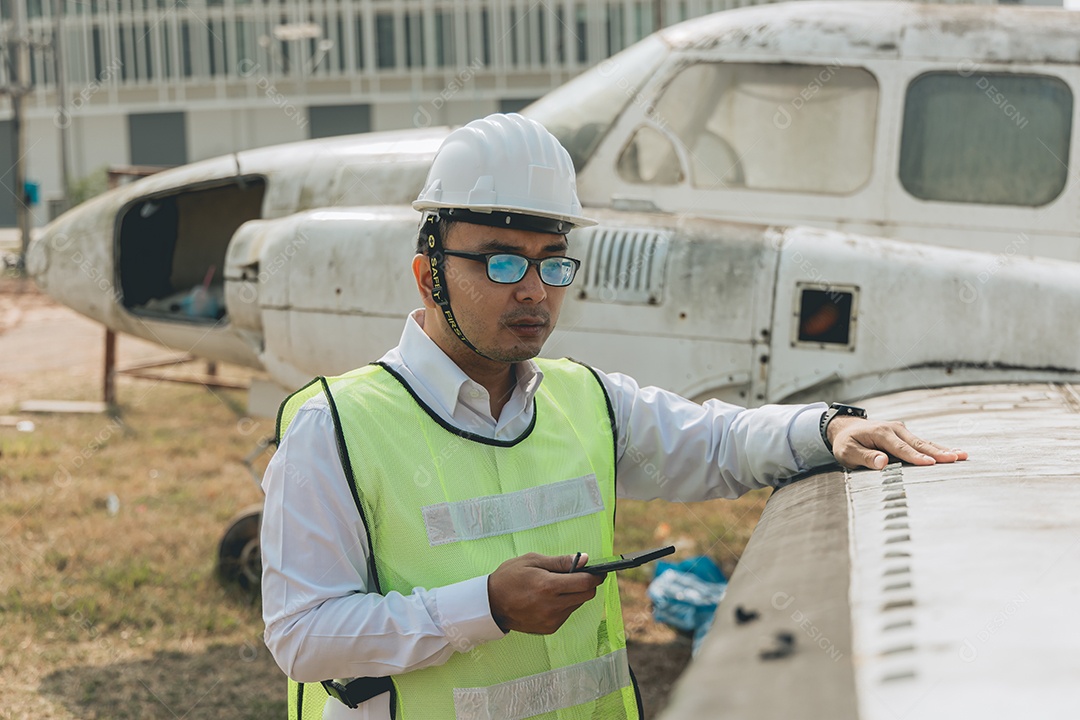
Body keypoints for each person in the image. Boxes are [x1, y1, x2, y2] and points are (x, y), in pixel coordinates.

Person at [261, 113, 966, 720]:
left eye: (552, 263)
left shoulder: (585, 401)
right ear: (429, 277)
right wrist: (487, 607)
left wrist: (827, 428)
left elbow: (716, 444)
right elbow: (303, 636)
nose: (534, 291)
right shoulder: (336, 428)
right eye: (502, 264)